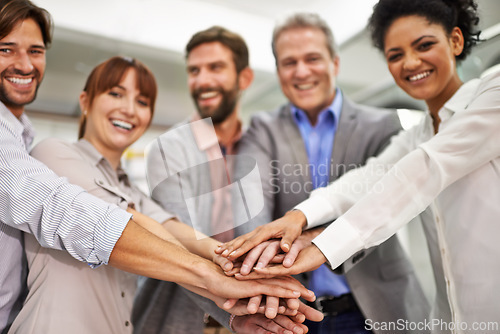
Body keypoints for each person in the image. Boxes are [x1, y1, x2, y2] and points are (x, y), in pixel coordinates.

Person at [0, 1, 316, 332]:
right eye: (115, 93)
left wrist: (231, 265)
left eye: (142, 101)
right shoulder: (52, 153)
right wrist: (220, 278)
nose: (129, 110)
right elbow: (129, 225)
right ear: (85, 102)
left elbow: (172, 229)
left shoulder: (127, 186)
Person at [219, 1, 500, 333]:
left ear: (455, 40)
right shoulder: (416, 135)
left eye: (424, 45)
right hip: (449, 320)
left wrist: (323, 245)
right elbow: (370, 177)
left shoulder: (492, 92)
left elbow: (422, 171)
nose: (411, 62)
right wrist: (297, 218)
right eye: (396, 55)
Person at [228, 12, 429, 334]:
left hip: (375, 307)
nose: (302, 71)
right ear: (278, 70)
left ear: (334, 64)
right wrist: (258, 259)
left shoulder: (381, 125)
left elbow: (384, 206)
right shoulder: (262, 130)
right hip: (293, 310)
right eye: (289, 62)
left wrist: (311, 238)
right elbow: (252, 204)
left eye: (313, 58)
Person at [133, 26, 302, 334]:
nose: (202, 80)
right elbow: (178, 244)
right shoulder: (168, 148)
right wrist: (237, 309)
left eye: (216, 68)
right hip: (184, 316)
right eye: (194, 70)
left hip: (258, 312)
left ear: (244, 78)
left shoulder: (262, 145)